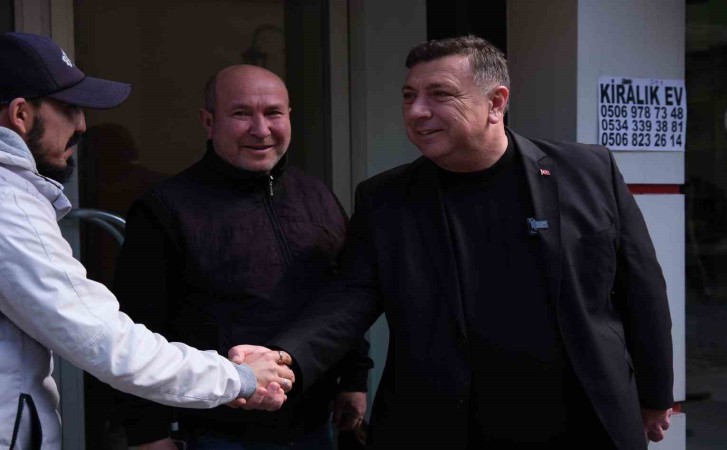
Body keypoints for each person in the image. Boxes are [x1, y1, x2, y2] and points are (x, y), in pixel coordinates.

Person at [234, 35, 675, 449]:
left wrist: (656, 394)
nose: (417, 111)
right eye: (409, 96)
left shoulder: (586, 171)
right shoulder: (385, 198)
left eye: (439, 95)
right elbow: (349, 300)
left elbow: (641, 288)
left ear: (495, 103)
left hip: (581, 419)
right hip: (447, 424)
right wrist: (285, 357)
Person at [0, 32, 293, 450]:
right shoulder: (9, 204)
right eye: (70, 108)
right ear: (20, 114)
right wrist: (239, 378)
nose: (82, 125)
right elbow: (104, 340)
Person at [112, 64, 372, 450]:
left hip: (314, 425)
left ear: (289, 117)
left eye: (273, 113)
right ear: (208, 122)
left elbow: (343, 296)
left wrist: (353, 380)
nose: (261, 129)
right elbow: (136, 328)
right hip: (214, 430)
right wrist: (148, 433)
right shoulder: (165, 209)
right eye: (241, 113)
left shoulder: (317, 195)